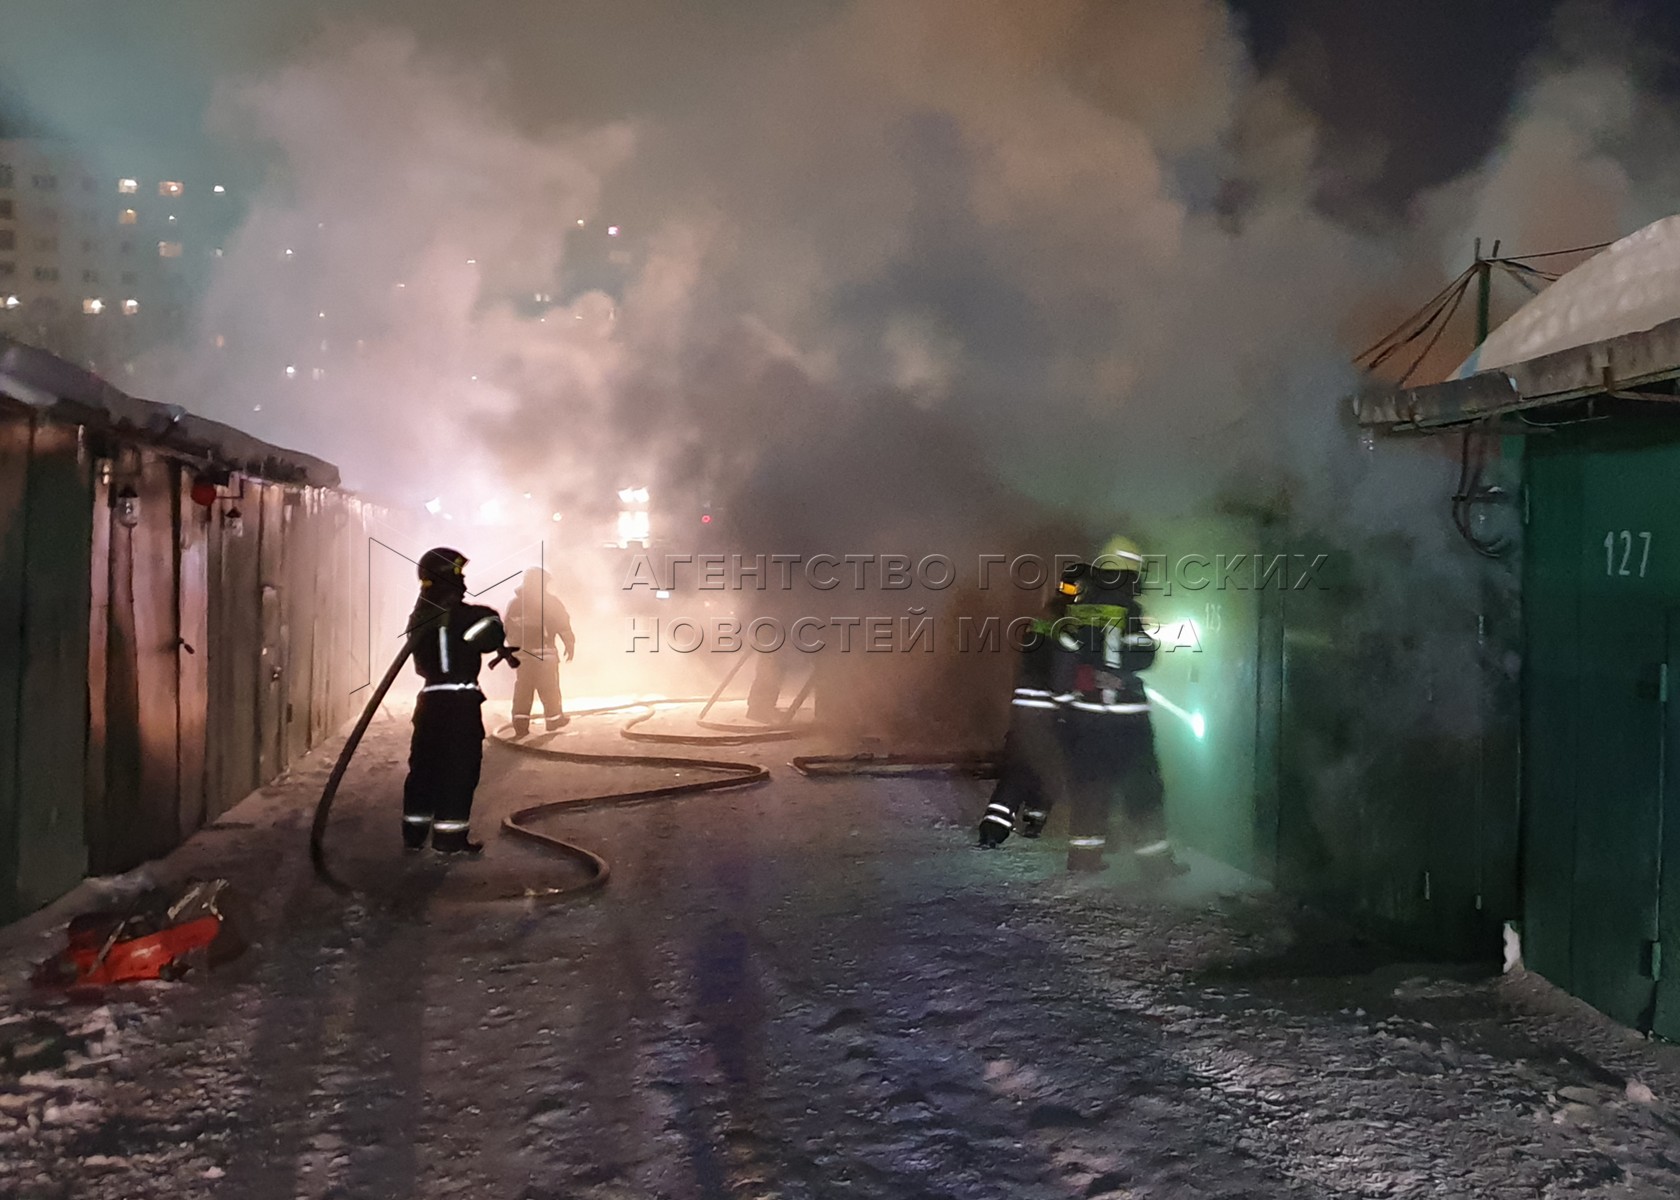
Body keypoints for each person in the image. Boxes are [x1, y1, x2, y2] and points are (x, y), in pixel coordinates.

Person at [1055, 536, 1187, 880]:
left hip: (1087, 718)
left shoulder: (1079, 609)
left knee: (1090, 788)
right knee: (1142, 789)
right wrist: (1125, 668)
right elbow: (1143, 655)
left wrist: (1069, 703)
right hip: (1127, 720)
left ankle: (1083, 858)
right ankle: (1155, 864)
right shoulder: (1130, 611)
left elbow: (1064, 660)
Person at [402, 547, 519, 854]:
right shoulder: (460, 618)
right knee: (458, 769)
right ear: (446, 579)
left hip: (429, 703)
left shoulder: (421, 617)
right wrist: (493, 622)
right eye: (458, 575)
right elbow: (489, 633)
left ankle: (414, 832)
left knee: (424, 768)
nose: (464, 581)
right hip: (458, 705)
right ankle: (449, 837)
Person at [977, 562, 1083, 848]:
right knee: (1048, 766)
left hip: (1024, 703)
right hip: (1046, 708)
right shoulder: (1068, 622)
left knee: (1021, 765)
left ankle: (994, 827)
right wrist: (1070, 703)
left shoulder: (1044, 616)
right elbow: (1063, 671)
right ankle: (1032, 820)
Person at [504, 567, 576, 737]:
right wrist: (569, 644)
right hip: (545, 654)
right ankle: (553, 720)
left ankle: (520, 725)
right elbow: (563, 625)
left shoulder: (515, 604)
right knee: (549, 688)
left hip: (523, 656)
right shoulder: (550, 602)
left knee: (523, 689)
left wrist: (513, 650)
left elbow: (507, 629)